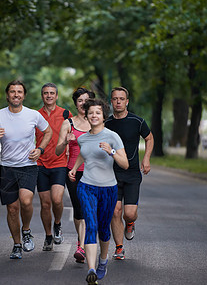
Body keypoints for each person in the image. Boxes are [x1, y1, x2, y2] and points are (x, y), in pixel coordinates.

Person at [0, 80, 52, 260]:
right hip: (7, 167)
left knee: (26, 201)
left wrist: (40, 149)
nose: (16, 94)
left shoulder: (33, 115)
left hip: (28, 166)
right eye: (13, 92)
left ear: (24, 95)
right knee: (12, 209)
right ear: (7, 95)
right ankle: (16, 244)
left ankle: (27, 230)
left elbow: (48, 132)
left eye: (19, 92)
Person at [68, 99, 129, 285]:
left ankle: (103, 261)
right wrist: (74, 168)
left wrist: (111, 152)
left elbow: (125, 164)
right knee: (91, 225)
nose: (94, 115)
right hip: (86, 186)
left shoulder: (112, 136)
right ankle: (91, 269)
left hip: (108, 189)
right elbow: (83, 153)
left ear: (104, 116)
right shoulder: (82, 138)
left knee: (103, 229)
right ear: (86, 115)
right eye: (91, 112)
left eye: (98, 112)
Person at [105, 87, 154, 260]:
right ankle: (119, 248)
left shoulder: (137, 121)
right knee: (115, 211)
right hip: (112, 174)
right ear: (111, 102)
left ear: (127, 102)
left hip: (132, 173)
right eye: (115, 99)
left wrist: (146, 159)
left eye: (121, 99)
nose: (118, 102)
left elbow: (149, 138)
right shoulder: (106, 124)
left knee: (129, 213)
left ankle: (130, 223)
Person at [55, 87, 95, 263]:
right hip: (73, 172)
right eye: (80, 101)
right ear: (76, 104)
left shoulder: (97, 121)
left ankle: (85, 245)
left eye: (86, 100)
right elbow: (58, 151)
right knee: (79, 210)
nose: (83, 104)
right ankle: (82, 243)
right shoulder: (68, 124)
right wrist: (66, 141)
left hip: (95, 172)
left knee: (91, 209)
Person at [35, 83, 72, 251]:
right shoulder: (35, 115)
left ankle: (57, 224)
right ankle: (48, 236)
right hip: (40, 163)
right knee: (45, 204)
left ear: (56, 96)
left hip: (59, 163)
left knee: (57, 199)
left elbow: (73, 136)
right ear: (42, 96)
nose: (49, 96)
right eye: (45, 93)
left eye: (51, 93)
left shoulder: (65, 114)